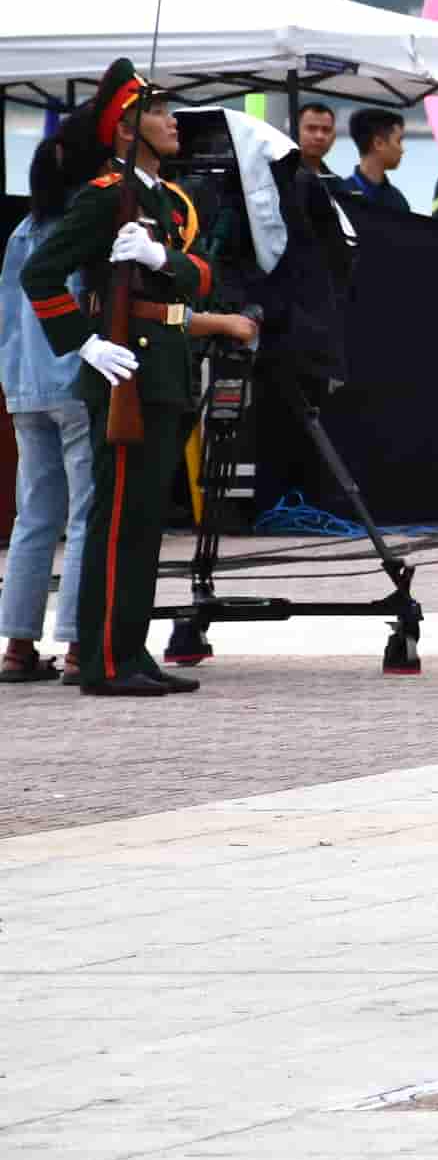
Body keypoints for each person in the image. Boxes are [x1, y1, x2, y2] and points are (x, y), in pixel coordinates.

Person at [18, 62, 257, 696]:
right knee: (117, 519)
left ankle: (130, 650)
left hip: (165, 368)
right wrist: (86, 344)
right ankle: (101, 661)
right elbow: (40, 273)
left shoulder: (159, 199)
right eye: (158, 112)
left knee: (147, 521)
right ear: (127, 128)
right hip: (124, 369)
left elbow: (202, 276)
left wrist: (161, 256)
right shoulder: (105, 194)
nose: (172, 120)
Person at [0, 135, 101, 683]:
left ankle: (17, 646)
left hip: (23, 385)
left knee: (34, 518)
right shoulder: (85, 226)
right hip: (74, 380)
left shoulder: (23, 229)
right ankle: (80, 646)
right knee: (86, 515)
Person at [345, 108, 411, 211]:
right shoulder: (341, 197)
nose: (402, 150)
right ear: (378, 143)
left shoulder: (398, 199)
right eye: (398, 141)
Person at [292, 102, 337, 178]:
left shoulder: (335, 182)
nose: (319, 136)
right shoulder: (280, 177)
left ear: (333, 137)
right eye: (311, 128)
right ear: (295, 131)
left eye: (326, 130)